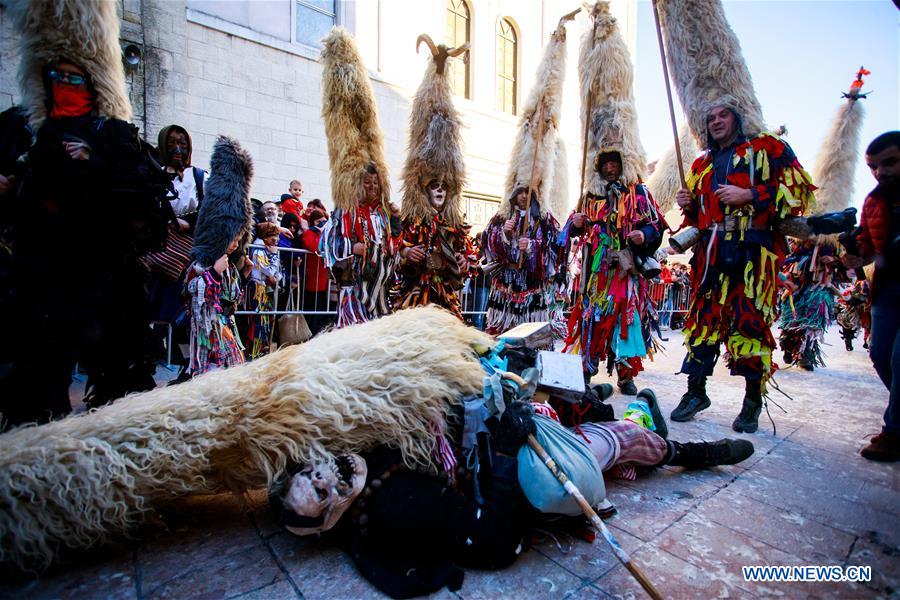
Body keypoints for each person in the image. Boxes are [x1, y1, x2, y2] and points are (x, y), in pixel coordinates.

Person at [269, 395, 754, 598]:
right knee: (604, 442)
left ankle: (624, 409)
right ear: (332, 519)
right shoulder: (396, 510)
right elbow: (493, 542)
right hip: (510, 483)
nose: (327, 477)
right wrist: (503, 453)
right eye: (322, 493)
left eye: (313, 474)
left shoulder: (357, 455)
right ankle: (687, 450)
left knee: (556, 399)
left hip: (478, 449)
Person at [3, 0, 173, 422]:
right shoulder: (23, 131)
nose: (64, 85)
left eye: (73, 78)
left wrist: (92, 164)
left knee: (119, 379)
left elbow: (146, 204)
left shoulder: (114, 136)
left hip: (103, 275)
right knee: (37, 372)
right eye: (56, 77)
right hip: (45, 273)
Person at [671, 98, 815, 433]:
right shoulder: (700, 165)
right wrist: (689, 204)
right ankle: (695, 393)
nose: (716, 122)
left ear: (738, 117)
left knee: (750, 326)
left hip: (752, 255)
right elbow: (697, 218)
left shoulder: (769, 148)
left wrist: (750, 195)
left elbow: (799, 192)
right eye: (710, 117)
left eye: (723, 115)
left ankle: (752, 403)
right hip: (710, 256)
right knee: (702, 324)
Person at [319, 29, 400, 328]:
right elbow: (325, 245)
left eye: (375, 183)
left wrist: (396, 228)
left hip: (380, 293)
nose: (372, 187)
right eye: (367, 183)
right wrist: (350, 249)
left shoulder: (383, 212)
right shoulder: (346, 213)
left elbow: (396, 245)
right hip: (355, 292)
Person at [564, 152, 664, 395]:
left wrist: (644, 235)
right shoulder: (588, 195)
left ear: (624, 164)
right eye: (606, 162)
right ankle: (587, 366)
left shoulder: (639, 192)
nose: (611, 167)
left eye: (615, 162)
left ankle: (626, 372)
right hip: (596, 271)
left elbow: (656, 224)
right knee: (592, 316)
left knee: (625, 318)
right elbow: (570, 229)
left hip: (624, 270)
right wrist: (576, 223)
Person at [393, 37, 476, 319]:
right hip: (416, 300)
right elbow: (391, 251)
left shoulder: (455, 225)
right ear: (424, 190)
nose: (440, 190)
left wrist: (465, 260)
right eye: (434, 186)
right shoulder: (409, 221)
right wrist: (406, 254)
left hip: (446, 299)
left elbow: (472, 258)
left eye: (444, 186)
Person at [842, 131, 900, 461]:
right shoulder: (873, 201)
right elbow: (864, 249)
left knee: (899, 358)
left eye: (890, 162)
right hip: (887, 289)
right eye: (874, 167)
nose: (881, 172)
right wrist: (851, 251)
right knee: (880, 355)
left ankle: (894, 432)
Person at [483, 187, 564, 336]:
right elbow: (488, 244)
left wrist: (532, 245)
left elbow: (556, 247)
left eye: (528, 191)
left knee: (532, 333)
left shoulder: (543, 218)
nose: (524, 196)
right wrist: (503, 233)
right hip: (506, 284)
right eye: (520, 191)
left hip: (531, 283)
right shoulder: (501, 217)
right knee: (503, 332)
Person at [777, 239, 843, 370]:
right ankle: (789, 346)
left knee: (812, 322)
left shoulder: (831, 243)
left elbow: (843, 264)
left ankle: (805, 353)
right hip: (795, 287)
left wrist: (834, 260)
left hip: (819, 287)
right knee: (792, 320)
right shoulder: (795, 247)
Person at [244, 222, 283, 359]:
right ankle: (253, 351)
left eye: (277, 236)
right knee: (258, 320)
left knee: (265, 320)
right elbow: (269, 271)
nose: (276, 239)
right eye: (273, 236)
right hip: (257, 288)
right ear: (264, 236)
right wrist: (274, 256)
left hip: (264, 288)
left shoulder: (267, 249)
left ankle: (260, 349)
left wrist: (275, 277)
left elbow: (277, 274)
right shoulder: (259, 250)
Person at [299, 208, 334, 335]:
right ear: (313, 222)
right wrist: (321, 233)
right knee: (313, 306)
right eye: (319, 221)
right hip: (312, 276)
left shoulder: (326, 233)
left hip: (323, 277)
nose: (322, 223)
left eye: (324, 221)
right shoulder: (309, 233)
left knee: (321, 306)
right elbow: (314, 247)